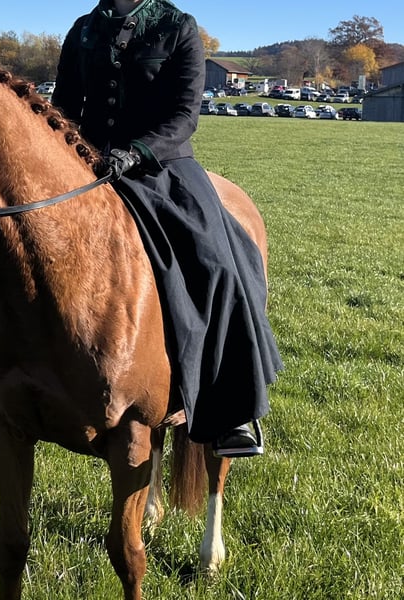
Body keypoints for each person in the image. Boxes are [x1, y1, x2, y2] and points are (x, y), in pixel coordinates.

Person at [50, 0, 283, 456]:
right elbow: (63, 106)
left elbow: (184, 114)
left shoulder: (178, 27)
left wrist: (137, 152)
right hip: (88, 164)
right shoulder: (83, 29)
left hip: (162, 166)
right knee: (19, 237)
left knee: (218, 265)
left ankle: (231, 407)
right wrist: (71, 153)